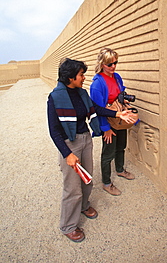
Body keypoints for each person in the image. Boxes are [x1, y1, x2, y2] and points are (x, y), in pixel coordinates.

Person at [47, 58, 135, 242]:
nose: (83, 77)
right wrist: (67, 154)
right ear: (70, 77)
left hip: (85, 139)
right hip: (68, 143)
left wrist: (117, 113)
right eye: (80, 74)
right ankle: (68, 225)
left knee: (87, 179)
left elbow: (95, 109)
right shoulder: (55, 98)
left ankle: (84, 206)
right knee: (72, 188)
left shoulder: (81, 93)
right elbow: (54, 130)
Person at [90, 48, 136, 196]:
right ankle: (107, 183)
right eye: (110, 64)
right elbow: (98, 108)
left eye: (115, 63)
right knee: (108, 153)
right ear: (102, 64)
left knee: (121, 146)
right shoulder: (97, 83)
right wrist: (105, 128)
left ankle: (120, 169)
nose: (113, 66)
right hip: (108, 121)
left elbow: (120, 92)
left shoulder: (117, 77)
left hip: (120, 119)